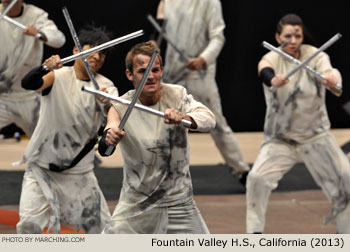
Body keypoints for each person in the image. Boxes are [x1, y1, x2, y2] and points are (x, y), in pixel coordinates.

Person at [246, 13, 350, 234]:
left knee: (346, 182)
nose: (293, 41)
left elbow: (331, 73)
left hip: (316, 137)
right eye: (287, 36)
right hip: (280, 140)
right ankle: (254, 236)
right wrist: (273, 79)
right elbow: (264, 68)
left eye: (297, 36)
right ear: (277, 36)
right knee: (256, 179)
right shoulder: (273, 57)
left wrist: (332, 80)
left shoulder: (314, 55)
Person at [100, 41, 215, 234]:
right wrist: (109, 137)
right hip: (136, 205)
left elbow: (209, 120)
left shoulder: (177, 95)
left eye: (155, 70)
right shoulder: (120, 107)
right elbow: (106, 141)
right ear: (130, 75)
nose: (150, 76)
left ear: (162, 71)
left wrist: (184, 118)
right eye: (143, 71)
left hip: (179, 203)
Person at [16, 26, 118, 234]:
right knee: (28, 227)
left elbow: (113, 114)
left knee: (103, 232)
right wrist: (45, 68)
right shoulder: (58, 75)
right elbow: (29, 83)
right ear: (76, 51)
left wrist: (108, 106)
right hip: (41, 169)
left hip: (79, 173)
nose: (98, 57)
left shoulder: (106, 86)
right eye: (93, 50)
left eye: (103, 54)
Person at [155, 0, 250, 184]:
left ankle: (242, 171)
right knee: (163, 124)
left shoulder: (210, 2)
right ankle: (161, 173)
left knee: (218, 124)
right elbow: (158, 32)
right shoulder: (167, 2)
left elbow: (217, 36)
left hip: (199, 74)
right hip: (173, 73)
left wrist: (203, 59)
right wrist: (153, 44)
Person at [0, 0, 65, 137]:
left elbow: (59, 40)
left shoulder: (36, 15)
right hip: (1, 97)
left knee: (53, 141)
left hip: (28, 98)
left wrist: (40, 34)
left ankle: (83, 158)